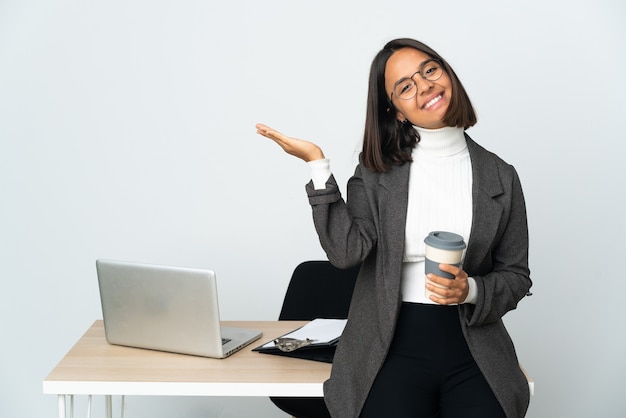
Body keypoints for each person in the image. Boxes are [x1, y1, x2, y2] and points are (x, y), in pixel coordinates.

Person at [256, 38, 532, 418]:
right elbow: (346, 252)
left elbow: (516, 275)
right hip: (388, 347)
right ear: (396, 111)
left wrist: (470, 289)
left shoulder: (500, 176)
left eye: (429, 70)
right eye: (405, 86)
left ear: (446, 73)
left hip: (473, 347)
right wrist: (317, 165)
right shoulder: (376, 172)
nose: (424, 86)